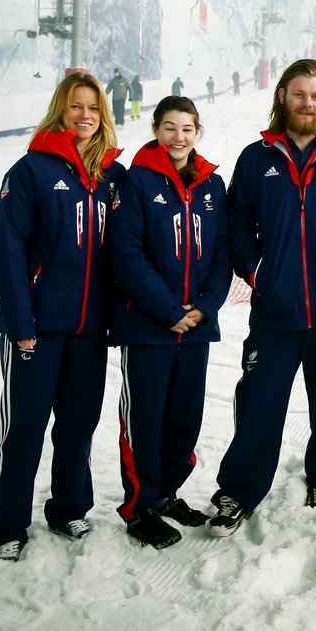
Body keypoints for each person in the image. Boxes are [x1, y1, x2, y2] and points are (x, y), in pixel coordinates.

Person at [207, 59, 316, 537]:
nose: (308, 103)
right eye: (299, 94)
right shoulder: (257, 159)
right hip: (275, 312)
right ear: (282, 95)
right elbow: (236, 225)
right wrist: (257, 270)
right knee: (258, 403)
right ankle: (238, 489)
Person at [0, 72, 124, 562]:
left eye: (92, 108)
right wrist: (20, 325)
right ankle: (7, 523)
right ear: (59, 112)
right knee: (26, 425)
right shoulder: (31, 171)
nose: (84, 116)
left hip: (90, 328)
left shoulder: (112, 177)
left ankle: (68, 506)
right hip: (39, 327)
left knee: (79, 421)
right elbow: (9, 251)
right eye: (75, 107)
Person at [108, 96, 231, 549]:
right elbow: (126, 254)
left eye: (187, 129)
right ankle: (139, 506)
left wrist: (205, 305)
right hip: (148, 327)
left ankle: (167, 494)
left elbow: (222, 254)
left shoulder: (212, 185)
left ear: (198, 132)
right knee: (146, 418)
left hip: (196, 327)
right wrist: (168, 311)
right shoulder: (137, 181)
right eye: (169, 127)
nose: (178, 137)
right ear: (156, 130)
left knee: (184, 417)